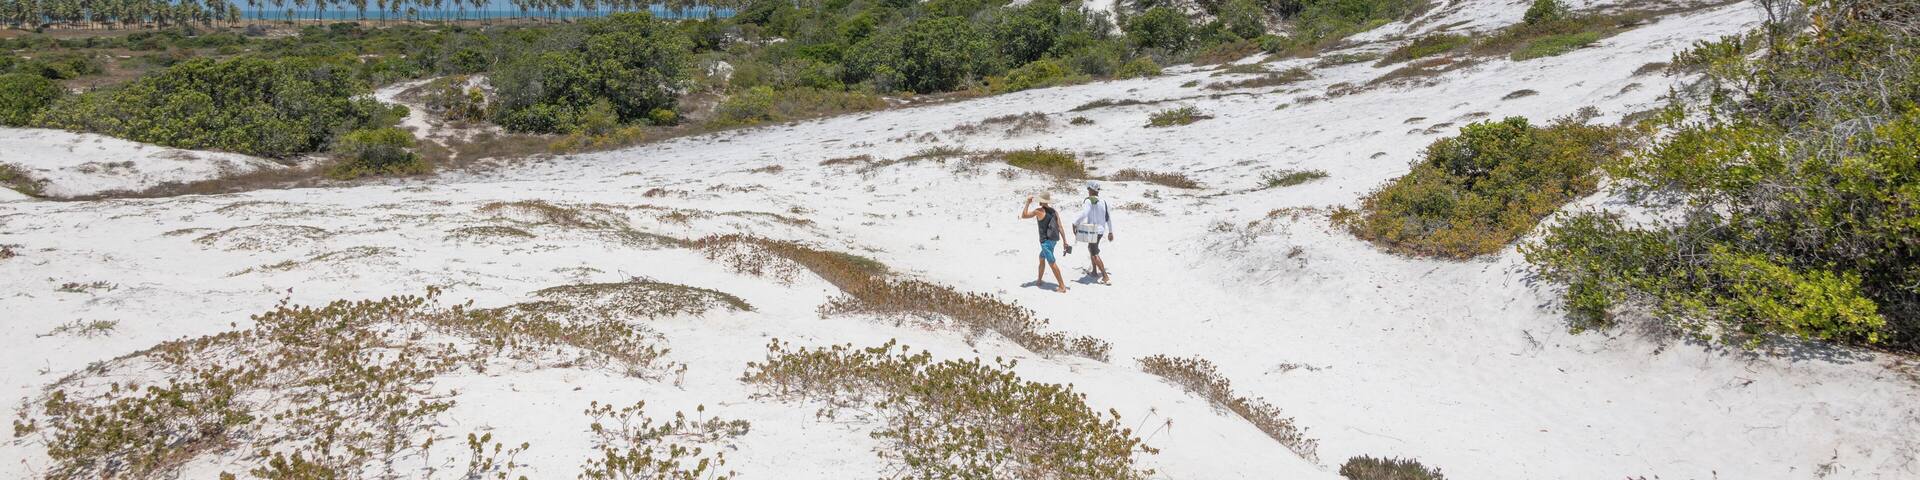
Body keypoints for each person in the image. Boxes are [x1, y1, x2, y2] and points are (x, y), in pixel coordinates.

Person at [1020, 192, 1072, 293]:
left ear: (1041, 201)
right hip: (1054, 240)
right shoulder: (1054, 211)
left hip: (1046, 242)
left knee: (1052, 263)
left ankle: (1062, 286)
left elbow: (1024, 215)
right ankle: (1039, 280)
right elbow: (1060, 227)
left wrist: (1027, 202)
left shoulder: (1039, 211)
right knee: (1041, 257)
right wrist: (1065, 241)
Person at [1075, 180, 1115, 285]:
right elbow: (1108, 218)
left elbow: (1084, 213)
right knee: (1091, 248)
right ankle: (1094, 272)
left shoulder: (1088, 200)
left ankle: (1105, 276)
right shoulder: (1104, 202)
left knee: (1094, 253)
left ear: (1091, 189)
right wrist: (1110, 232)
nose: (1087, 191)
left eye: (1088, 189)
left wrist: (1075, 223)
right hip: (1101, 230)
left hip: (1093, 231)